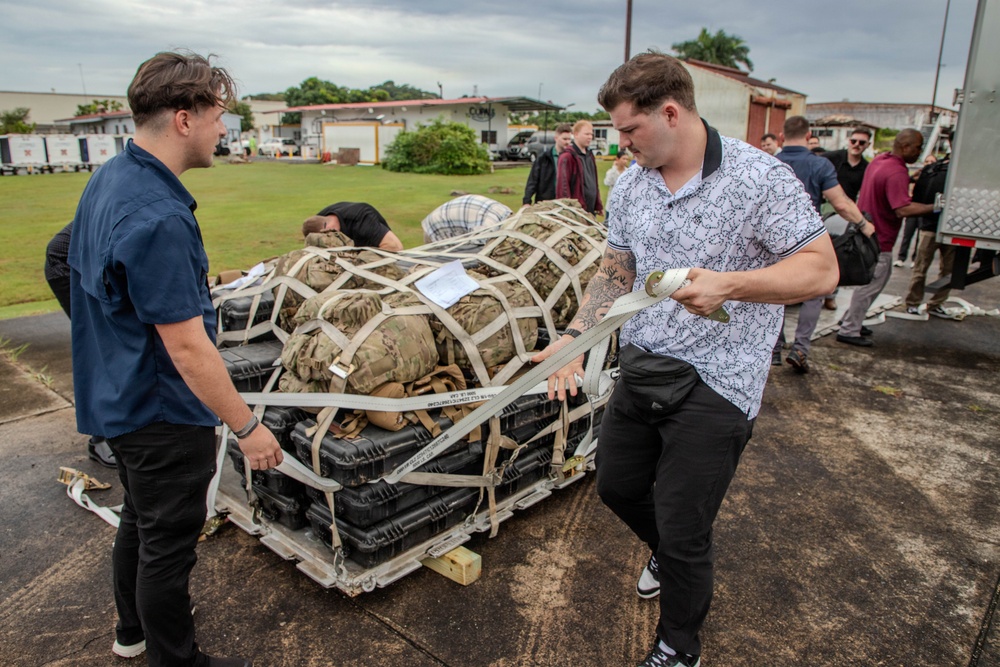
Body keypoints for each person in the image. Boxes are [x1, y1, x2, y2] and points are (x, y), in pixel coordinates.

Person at [531, 52, 838, 667]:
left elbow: (821, 271)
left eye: (629, 128)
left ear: (670, 112)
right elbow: (616, 270)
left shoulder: (762, 178)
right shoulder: (633, 183)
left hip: (720, 379)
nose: (620, 142)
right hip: (645, 360)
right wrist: (574, 335)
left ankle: (678, 646)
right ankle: (665, 553)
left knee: (685, 527)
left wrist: (729, 285)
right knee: (617, 487)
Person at [68, 51, 284, 667]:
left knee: (139, 521)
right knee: (167, 543)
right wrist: (248, 427)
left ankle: (132, 633)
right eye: (220, 117)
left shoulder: (113, 177)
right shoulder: (159, 215)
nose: (225, 130)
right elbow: (188, 347)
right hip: (161, 412)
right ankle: (175, 659)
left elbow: (66, 260)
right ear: (185, 119)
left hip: (116, 395)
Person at [773, 116, 871, 373]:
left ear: (782, 137)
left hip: (773, 237)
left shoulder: (771, 161)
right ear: (808, 136)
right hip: (806, 238)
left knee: (775, 292)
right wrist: (863, 224)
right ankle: (800, 348)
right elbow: (840, 203)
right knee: (813, 293)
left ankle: (774, 347)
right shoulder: (820, 164)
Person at [836, 129, 935, 346]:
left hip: (865, 233)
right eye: (918, 147)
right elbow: (902, 209)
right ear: (906, 147)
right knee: (870, 285)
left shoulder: (881, 161)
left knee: (872, 282)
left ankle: (851, 319)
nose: (919, 152)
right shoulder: (896, 172)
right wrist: (934, 207)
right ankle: (849, 329)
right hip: (880, 238)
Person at [44, 221, 117, 467]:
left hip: (93, 263)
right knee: (101, 349)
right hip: (68, 265)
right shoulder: (130, 197)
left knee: (114, 345)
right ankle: (101, 437)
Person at [904, 156, 956, 318]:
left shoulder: (939, 169)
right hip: (931, 225)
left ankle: (936, 303)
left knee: (948, 271)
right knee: (921, 268)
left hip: (950, 227)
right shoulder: (934, 169)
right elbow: (919, 196)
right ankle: (913, 302)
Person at [301, 202, 403, 251]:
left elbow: (396, 247)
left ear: (327, 230)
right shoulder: (319, 219)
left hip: (371, 253)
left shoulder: (362, 220)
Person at [556, 120, 604, 215]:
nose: (590, 137)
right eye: (586, 134)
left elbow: (594, 182)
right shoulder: (567, 157)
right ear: (576, 134)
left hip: (590, 210)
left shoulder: (590, 156)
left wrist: (598, 204)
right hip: (576, 212)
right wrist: (568, 210)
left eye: (591, 134)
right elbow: (563, 187)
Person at [420, 194, 512, 243]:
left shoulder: (507, 212)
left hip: (452, 219)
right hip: (436, 229)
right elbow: (478, 254)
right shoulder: (487, 226)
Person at [522, 123, 573, 206]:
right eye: (564, 139)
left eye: (569, 139)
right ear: (556, 138)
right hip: (545, 203)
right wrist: (526, 201)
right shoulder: (543, 158)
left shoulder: (572, 159)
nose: (568, 142)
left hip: (566, 203)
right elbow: (533, 180)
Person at [821, 127, 871, 202]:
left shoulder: (867, 168)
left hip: (848, 207)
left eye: (861, 142)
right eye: (853, 141)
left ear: (868, 145)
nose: (857, 144)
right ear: (849, 141)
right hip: (826, 205)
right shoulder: (830, 157)